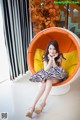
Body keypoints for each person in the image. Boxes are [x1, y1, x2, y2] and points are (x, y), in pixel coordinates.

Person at [26, 40, 68, 118]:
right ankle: (34, 106)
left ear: (57, 49)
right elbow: (46, 69)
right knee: (46, 82)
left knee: (47, 80)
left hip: (58, 75)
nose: (52, 51)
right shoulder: (45, 56)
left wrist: (54, 60)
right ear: (48, 49)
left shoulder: (59, 55)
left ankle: (39, 104)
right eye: (50, 49)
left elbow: (57, 69)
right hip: (48, 75)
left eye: (54, 49)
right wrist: (50, 60)